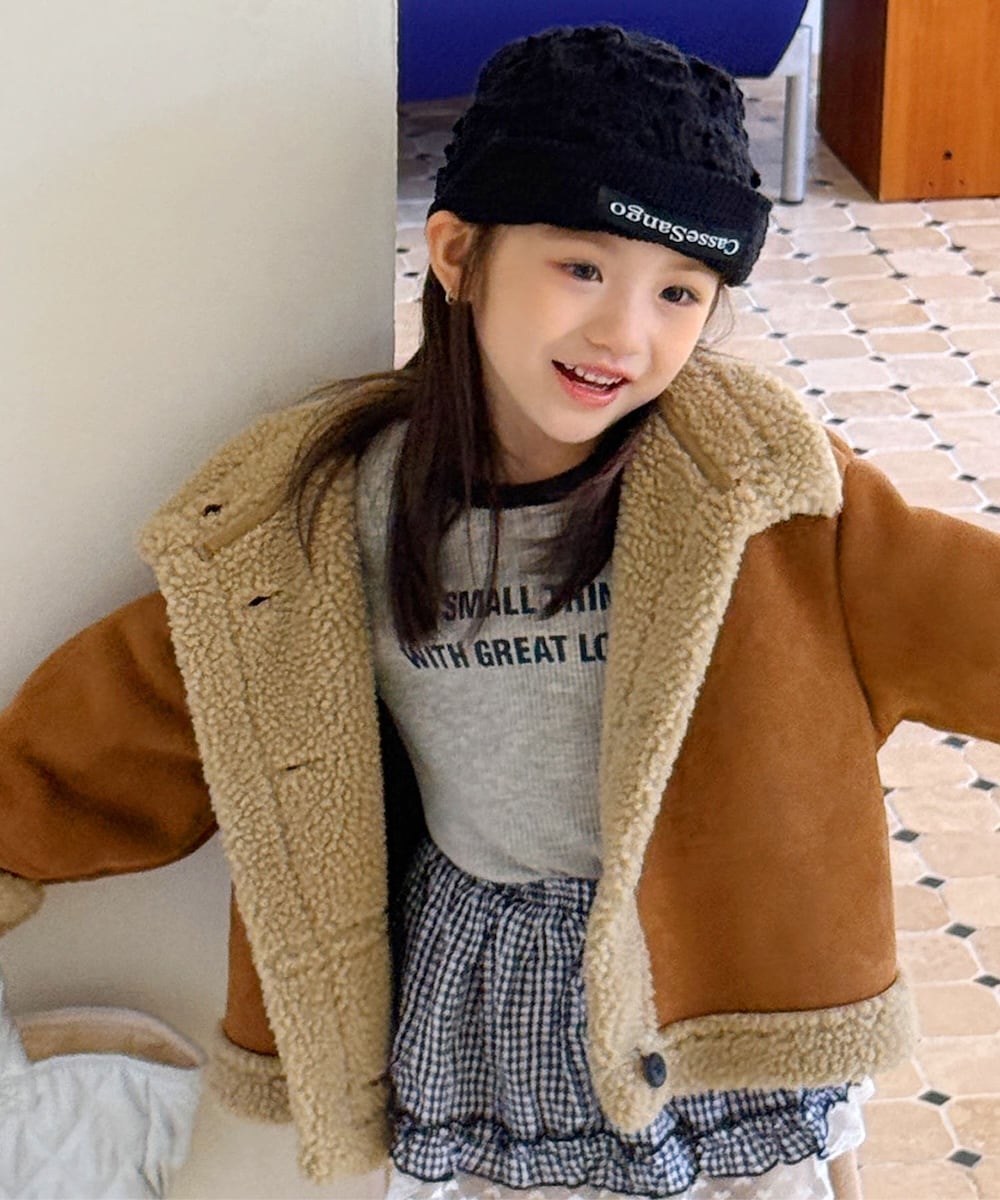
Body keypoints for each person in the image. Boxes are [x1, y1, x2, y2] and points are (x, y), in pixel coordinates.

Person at [1, 23, 999, 1200]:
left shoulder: (768, 501)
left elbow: (962, 615)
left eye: (679, 291)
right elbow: (138, 718)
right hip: (485, 999)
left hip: (715, 987)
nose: (624, 334)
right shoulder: (329, 521)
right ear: (458, 254)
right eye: (580, 267)